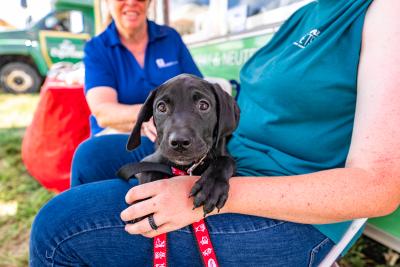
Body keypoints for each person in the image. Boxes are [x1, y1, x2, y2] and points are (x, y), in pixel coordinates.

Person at [29, 0, 400, 266]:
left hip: (286, 204)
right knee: (91, 155)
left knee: (58, 228)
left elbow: (379, 188)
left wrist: (203, 192)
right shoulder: (304, 14)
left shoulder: (385, 12)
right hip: (230, 160)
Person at [70, 0, 202, 186]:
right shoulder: (97, 47)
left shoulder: (169, 37)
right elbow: (103, 111)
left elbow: (197, 89)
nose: (131, 2)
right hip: (121, 133)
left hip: (171, 133)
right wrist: (151, 114)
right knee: (88, 157)